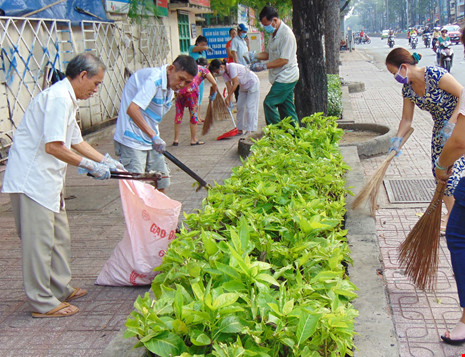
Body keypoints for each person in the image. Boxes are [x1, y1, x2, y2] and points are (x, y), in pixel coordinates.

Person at [1, 53, 123, 318]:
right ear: (82, 76)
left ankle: (59, 287)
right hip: (32, 180)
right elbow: (54, 146)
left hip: (48, 180)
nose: (96, 89)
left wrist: (106, 160)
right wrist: (91, 167)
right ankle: (42, 302)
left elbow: (76, 141)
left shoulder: (67, 98)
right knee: (39, 243)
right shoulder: (58, 99)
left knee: (59, 237)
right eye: (96, 83)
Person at [385, 48, 464, 232]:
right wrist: (397, 140)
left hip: (459, 126)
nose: (394, 77)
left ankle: (453, 221)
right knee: (439, 175)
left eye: (393, 72)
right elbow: (406, 119)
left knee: (451, 177)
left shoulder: (435, 75)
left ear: (403, 67)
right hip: (440, 132)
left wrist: (452, 123)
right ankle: (451, 216)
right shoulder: (408, 89)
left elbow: (463, 94)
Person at [113, 55, 198, 192]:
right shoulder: (155, 79)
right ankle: (138, 214)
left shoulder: (170, 87)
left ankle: (160, 213)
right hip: (132, 139)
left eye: (187, 82)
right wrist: (154, 136)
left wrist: (153, 136)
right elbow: (132, 110)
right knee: (136, 187)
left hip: (150, 138)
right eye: (181, 79)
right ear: (171, 69)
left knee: (161, 180)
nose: (182, 84)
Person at [248, 5, 299, 126]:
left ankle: (276, 133)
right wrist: (253, 56)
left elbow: (283, 60)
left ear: (275, 20)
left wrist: (264, 66)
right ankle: (296, 135)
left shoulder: (286, 35)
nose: (266, 28)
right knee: (286, 109)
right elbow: (267, 54)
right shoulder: (273, 34)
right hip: (280, 76)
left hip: (287, 76)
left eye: (267, 25)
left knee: (269, 103)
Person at [209, 59, 260, 135]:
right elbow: (229, 87)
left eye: (217, 71)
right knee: (240, 106)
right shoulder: (224, 74)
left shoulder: (232, 67)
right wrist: (229, 100)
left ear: (221, 67)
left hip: (252, 83)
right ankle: (240, 129)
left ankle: (250, 129)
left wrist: (229, 96)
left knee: (250, 107)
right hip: (243, 85)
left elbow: (235, 83)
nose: (217, 73)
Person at [173, 58, 217, 146]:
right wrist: (214, 93)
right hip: (191, 91)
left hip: (179, 90)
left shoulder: (188, 67)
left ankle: (176, 140)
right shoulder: (204, 70)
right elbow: (214, 83)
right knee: (193, 114)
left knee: (179, 114)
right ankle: (193, 139)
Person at [189, 36, 213, 121]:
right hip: (194, 77)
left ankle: (198, 116)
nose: (204, 47)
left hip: (201, 78)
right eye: (202, 45)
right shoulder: (192, 48)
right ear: (198, 43)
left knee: (200, 97)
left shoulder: (203, 53)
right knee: (195, 98)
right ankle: (195, 117)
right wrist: (206, 47)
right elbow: (202, 48)